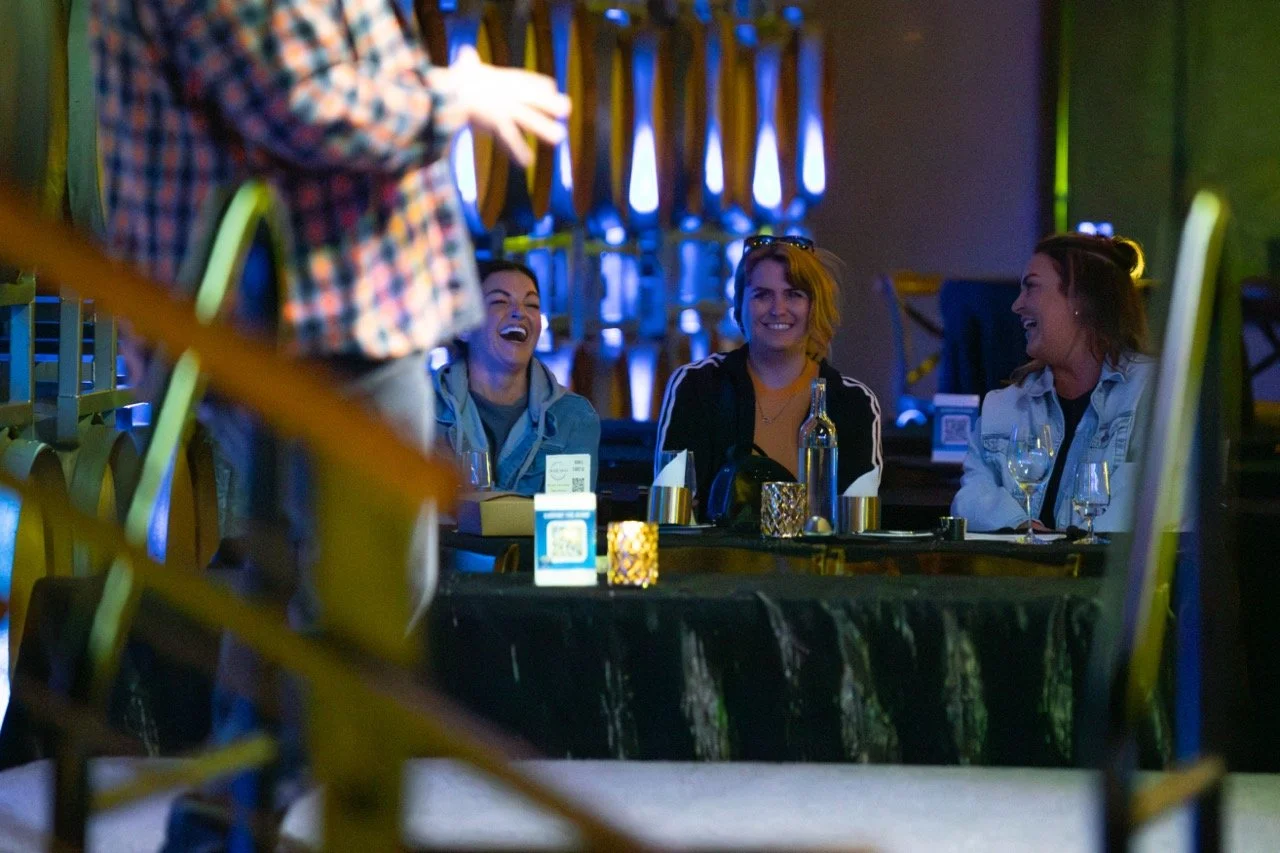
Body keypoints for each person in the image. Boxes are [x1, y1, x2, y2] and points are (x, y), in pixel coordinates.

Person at [92, 0, 569, 847]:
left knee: (310, 585)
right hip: (296, 314)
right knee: (373, 583)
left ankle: (230, 820)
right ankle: (224, 821)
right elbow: (296, 101)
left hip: (343, 309)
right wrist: (455, 92)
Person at [655, 235, 882, 516]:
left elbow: (855, 524)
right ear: (740, 305)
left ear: (815, 306)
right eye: (762, 295)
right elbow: (674, 510)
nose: (778, 309)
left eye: (794, 294)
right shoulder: (697, 385)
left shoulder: (853, 401)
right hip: (715, 558)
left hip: (819, 559)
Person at [951, 233, 1154, 533]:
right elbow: (968, 500)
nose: (1016, 306)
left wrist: (1059, 547)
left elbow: (1148, 508)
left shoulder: (1154, 395)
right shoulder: (1005, 406)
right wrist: (1018, 523)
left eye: (1031, 287)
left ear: (1080, 301)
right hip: (1020, 578)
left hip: (1103, 580)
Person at [435, 260, 600, 494]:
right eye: (500, 301)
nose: (519, 312)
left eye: (531, 305)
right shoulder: (422, 411)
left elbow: (568, 521)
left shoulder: (574, 418)